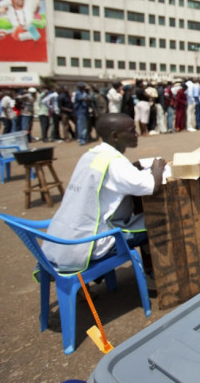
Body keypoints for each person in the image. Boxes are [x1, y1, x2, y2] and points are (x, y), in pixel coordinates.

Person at [42, 113, 165, 272]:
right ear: (115, 136)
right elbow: (151, 186)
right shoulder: (115, 162)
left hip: (66, 239)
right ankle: (155, 276)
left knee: (143, 219)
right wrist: (158, 168)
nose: (136, 134)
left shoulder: (92, 154)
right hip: (91, 244)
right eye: (132, 130)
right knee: (161, 221)